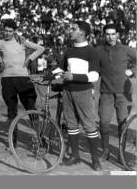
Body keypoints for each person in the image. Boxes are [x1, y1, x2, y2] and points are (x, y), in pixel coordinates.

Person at [0, 19, 45, 149]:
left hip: (23, 79)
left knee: (31, 109)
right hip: (7, 80)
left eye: (10, 31)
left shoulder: (21, 40)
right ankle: (13, 141)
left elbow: (41, 48)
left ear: (14, 31)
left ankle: (40, 139)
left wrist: (30, 59)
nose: (7, 33)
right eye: (5, 30)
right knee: (11, 111)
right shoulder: (0, 43)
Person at [52, 21, 102, 171]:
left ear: (82, 32)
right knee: (71, 124)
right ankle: (75, 156)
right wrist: (46, 77)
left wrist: (74, 76)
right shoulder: (69, 50)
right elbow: (60, 69)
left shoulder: (91, 51)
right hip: (67, 91)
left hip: (84, 92)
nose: (70, 31)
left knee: (89, 125)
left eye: (73, 29)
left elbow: (94, 75)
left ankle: (95, 160)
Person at [95, 23, 136, 162]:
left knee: (122, 123)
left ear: (117, 35)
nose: (110, 37)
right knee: (104, 122)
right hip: (106, 93)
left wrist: (133, 71)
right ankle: (105, 151)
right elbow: (93, 69)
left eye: (113, 34)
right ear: (104, 35)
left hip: (123, 94)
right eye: (108, 34)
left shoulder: (125, 50)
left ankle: (121, 153)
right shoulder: (99, 51)